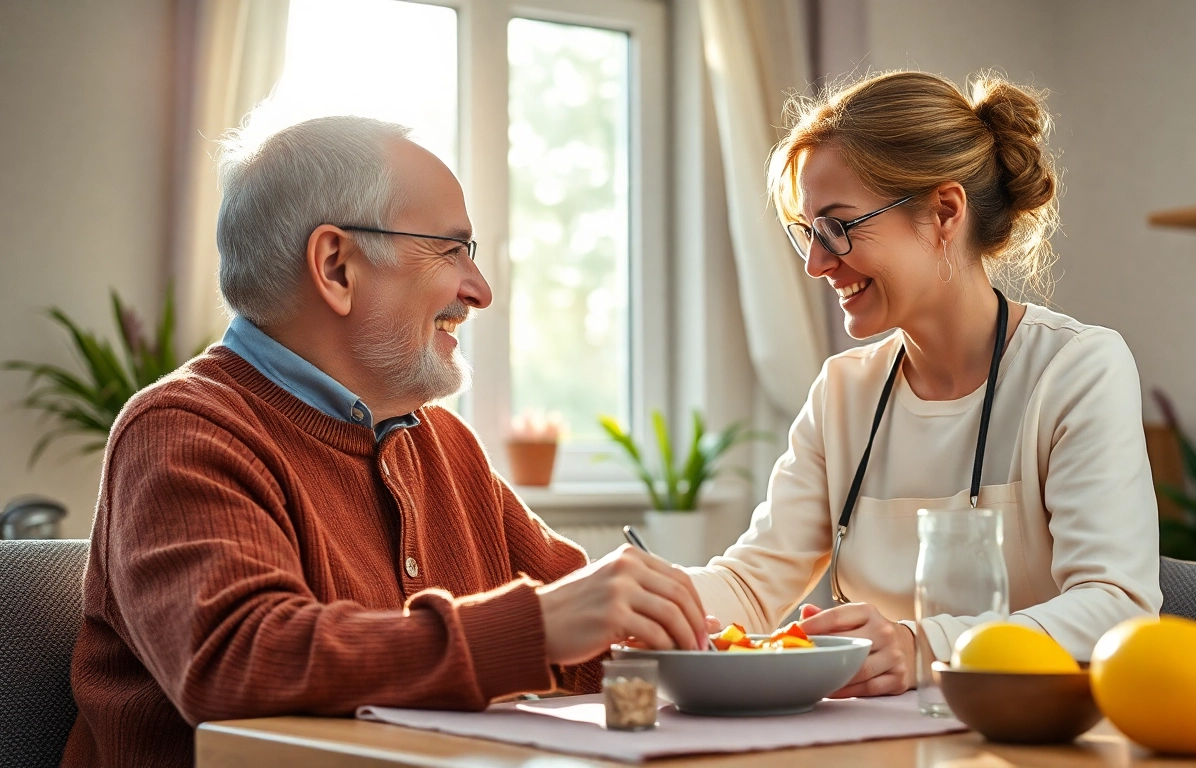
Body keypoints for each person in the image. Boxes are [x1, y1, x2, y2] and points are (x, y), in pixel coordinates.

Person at [62, 116, 710, 768]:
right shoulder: (183, 431)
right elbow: (239, 661)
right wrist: (536, 628)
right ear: (336, 266)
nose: (480, 291)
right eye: (450, 250)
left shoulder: (442, 442)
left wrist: (770, 660)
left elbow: (597, 631)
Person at [688, 71, 1161, 698]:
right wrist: (642, 599)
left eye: (837, 227)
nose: (816, 264)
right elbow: (751, 584)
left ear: (944, 212)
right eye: (808, 233)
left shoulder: (1076, 369)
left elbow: (1114, 608)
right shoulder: (843, 392)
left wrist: (918, 648)